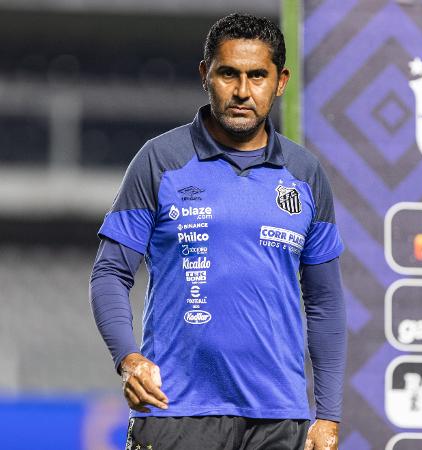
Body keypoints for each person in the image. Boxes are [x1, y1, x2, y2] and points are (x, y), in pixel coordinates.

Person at [90, 13, 346, 450]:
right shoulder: (160, 160)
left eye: (257, 76)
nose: (243, 91)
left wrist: (328, 415)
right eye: (228, 73)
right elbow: (110, 273)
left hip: (278, 418)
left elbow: (324, 301)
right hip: (176, 410)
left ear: (280, 82)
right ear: (204, 75)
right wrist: (128, 359)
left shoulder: (305, 174)